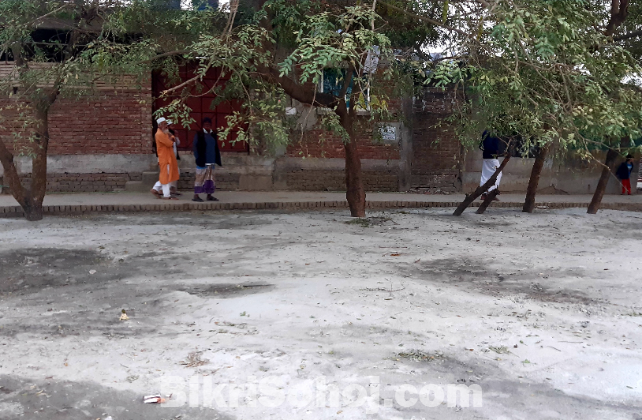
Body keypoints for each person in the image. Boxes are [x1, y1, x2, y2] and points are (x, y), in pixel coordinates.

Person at [192, 117, 221, 202]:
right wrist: (198, 158)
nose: (207, 127)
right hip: (202, 161)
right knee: (200, 178)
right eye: (205, 125)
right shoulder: (199, 134)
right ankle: (196, 195)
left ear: (211, 126)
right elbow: (195, 147)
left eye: (208, 125)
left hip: (211, 161)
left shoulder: (213, 134)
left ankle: (209, 195)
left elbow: (215, 147)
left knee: (210, 179)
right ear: (202, 126)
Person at [152, 117, 180, 200]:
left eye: (166, 124)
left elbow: (173, 139)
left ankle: (155, 189)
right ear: (160, 125)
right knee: (166, 177)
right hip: (165, 158)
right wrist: (171, 138)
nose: (166, 126)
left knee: (167, 176)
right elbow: (169, 143)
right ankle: (166, 195)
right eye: (164, 124)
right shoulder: (159, 134)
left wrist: (170, 137)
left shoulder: (164, 133)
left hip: (168, 158)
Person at [479, 131, 506, 201]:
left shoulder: (485, 132)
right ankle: (491, 192)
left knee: (485, 175)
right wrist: (496, 151)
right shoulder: (491, 132)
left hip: (486, 155)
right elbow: (488, 145)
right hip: (492, 156)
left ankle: (484, 193)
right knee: (498, 173)